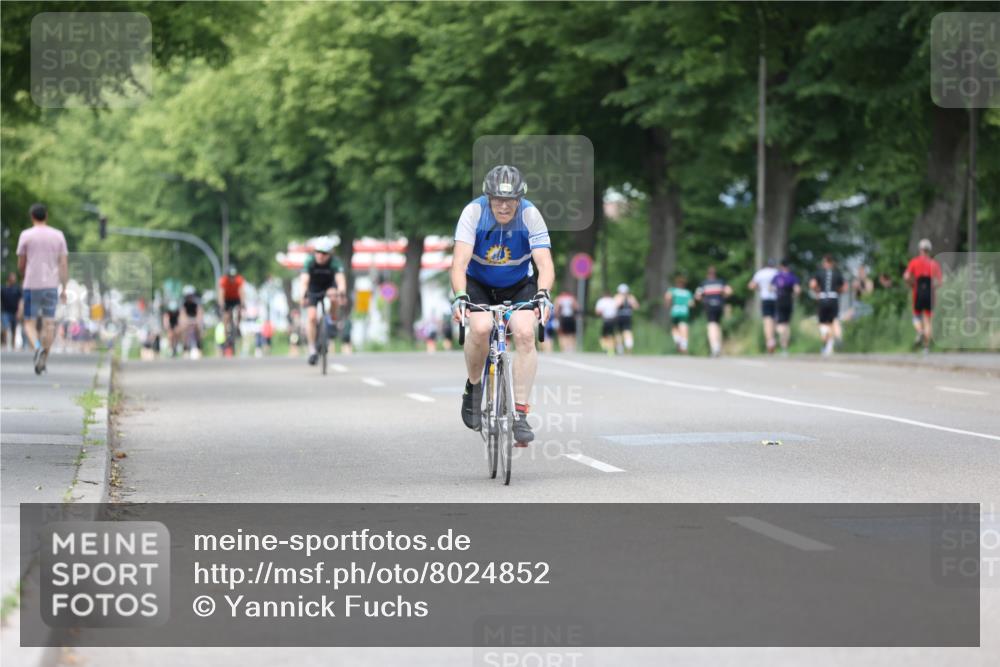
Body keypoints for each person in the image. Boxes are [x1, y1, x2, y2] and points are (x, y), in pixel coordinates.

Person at [451, 165, 553, 445]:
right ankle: (473, 388)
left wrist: (543, 293)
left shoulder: (530, 214)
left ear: (520, 199)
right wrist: (460, 295)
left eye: (510, 200)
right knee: (481, 328)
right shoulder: (473, 213)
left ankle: (520, 415)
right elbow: (459, 263)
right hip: (479, 283)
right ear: (488, 197)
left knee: (523, 332)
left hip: (519, 283)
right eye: (497, 199)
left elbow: (544, 263)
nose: (504, 206)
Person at [16, 203, 68, 374]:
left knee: (29, 323)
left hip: (31, 285)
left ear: (32, 217)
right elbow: (63, 264)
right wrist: (64, 287)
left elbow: (21, 264)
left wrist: (24, 273)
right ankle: (43, 359)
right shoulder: (58, 236)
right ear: (46, 216)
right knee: (49, 324)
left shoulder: (26, 235)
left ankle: (37, 347)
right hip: (51, 286)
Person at [299, 238, 346, 366]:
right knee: (312, 317)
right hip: (313, 288)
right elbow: (304, 280)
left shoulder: (335, 263)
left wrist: (341, 292)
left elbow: (340, 280)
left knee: (333, 296)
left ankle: (332, 319)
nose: (320, 255)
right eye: (318, 252)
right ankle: (312, 349)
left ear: (330, 254)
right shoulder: (310, 261)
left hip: (329, 286)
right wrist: (303, 295)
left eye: (324, 253)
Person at [903, 238, 943, 353]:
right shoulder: (934, 263)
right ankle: (926, 348)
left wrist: (911, 284)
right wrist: (932, 288)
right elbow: (940, 282)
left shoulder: (914, 262)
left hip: (918, 293)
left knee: (916, 317)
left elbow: (906, 276)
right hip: (930, 294)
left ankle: (920, 331)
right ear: (929, 250)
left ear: (920, 249)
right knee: (928, 320)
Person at [809, 255, 846, 356]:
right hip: (833, 298)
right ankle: (837, 336)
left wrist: (817, 291)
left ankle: (826, 335)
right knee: (834, 320)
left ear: (824, 263)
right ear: (832, 263)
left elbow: (812, 284)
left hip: (823, 298)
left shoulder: (819, 273)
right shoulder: (837, 273)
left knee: (823, 323)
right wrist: (838, 292)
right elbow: (844, 287)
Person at [694, 265, 732, 358]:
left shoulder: (704, 283)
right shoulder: (720, 282)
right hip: (719, 305)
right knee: (718, 325)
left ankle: (714, 347)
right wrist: (723, 298)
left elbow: (697, 296)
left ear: (708, 274)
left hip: (709, 306)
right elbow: (729, 291)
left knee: (711, 325)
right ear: (715, 274)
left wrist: (703, 300)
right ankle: (718, 346)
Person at [748, 259, 779, 354]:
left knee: (767, 321)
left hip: (765, 298)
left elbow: (751, 286)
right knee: (774, 320)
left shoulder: (760, 273)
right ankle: (773, 338)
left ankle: (769, 340)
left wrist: (760, 289)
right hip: (776, 299)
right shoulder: (777, 273)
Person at [772, 259, 801, 356]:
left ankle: (779, 339)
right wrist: (793, 295)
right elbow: (797, 290)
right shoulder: (792, 277)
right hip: (789, 301)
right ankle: (785, 348)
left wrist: (776, 290)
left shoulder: (777, 276)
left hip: (780, 300)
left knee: (780, 324)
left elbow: (771, 288)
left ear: (781, 266)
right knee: (787, 324)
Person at [218, 265, 246, 356]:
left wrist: (242, 303)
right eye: (230, 277)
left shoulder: (239, 279)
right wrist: (221, 305)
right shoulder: (223, 280)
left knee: (239, 311)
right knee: (226, 316)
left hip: (236, 299)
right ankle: (226, 334)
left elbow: (242, 291)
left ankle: (237, 326)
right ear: (227, 276)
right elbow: (221, 293)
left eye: (233, 277)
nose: (232, 278)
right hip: (227, 299)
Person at [664, 274, 692, 354]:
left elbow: (668, 297)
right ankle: (684, 345)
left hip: (675, 310)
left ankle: (678, 340)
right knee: (684, 327)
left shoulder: (673, 290)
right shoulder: (687, 292)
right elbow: (691, 304)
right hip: (684, 311)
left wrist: (667, 305)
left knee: (674, 328)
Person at [614, 283, 639, 354]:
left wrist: (631, 302)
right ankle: (620, 347)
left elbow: (636, 306)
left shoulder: (630, 297)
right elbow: (615, 306)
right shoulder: (618, 297)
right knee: (619, 333)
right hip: (619, 317)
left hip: (627, 316)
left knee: (627, 332)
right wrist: (622, 300)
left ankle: (628, 348)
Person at [180, 285, 204, 358]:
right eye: (188, 296)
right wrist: (186, 322)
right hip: (187, 319)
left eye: (190, 295)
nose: (189, 297)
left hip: (195, 318)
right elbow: (182, 314)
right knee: (184, 329)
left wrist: (197, 322)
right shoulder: (183, 302)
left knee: (199, 329)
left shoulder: (197, 302)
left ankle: (199, 346)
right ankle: (185, 348)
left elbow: (200, 313)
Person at [1, 272, 22, 350]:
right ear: (9, 278)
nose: (14, 279)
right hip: (5, 311)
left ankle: (13, 345)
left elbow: (20, 301)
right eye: (13, 277)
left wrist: (19, 312)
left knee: (14, 329)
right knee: (5, 327)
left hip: (14, 312)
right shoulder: (3, 288)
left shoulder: (17, 289)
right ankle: (5, 343)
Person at [594, 290, 619, 355]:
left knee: (604, 335)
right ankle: (612, 349)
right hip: (613, 319)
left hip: (606, 320)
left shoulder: (601, 301)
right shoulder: (613, 301)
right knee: (612, 335)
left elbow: (598, 312)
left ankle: (605, 347)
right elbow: (616, 310)